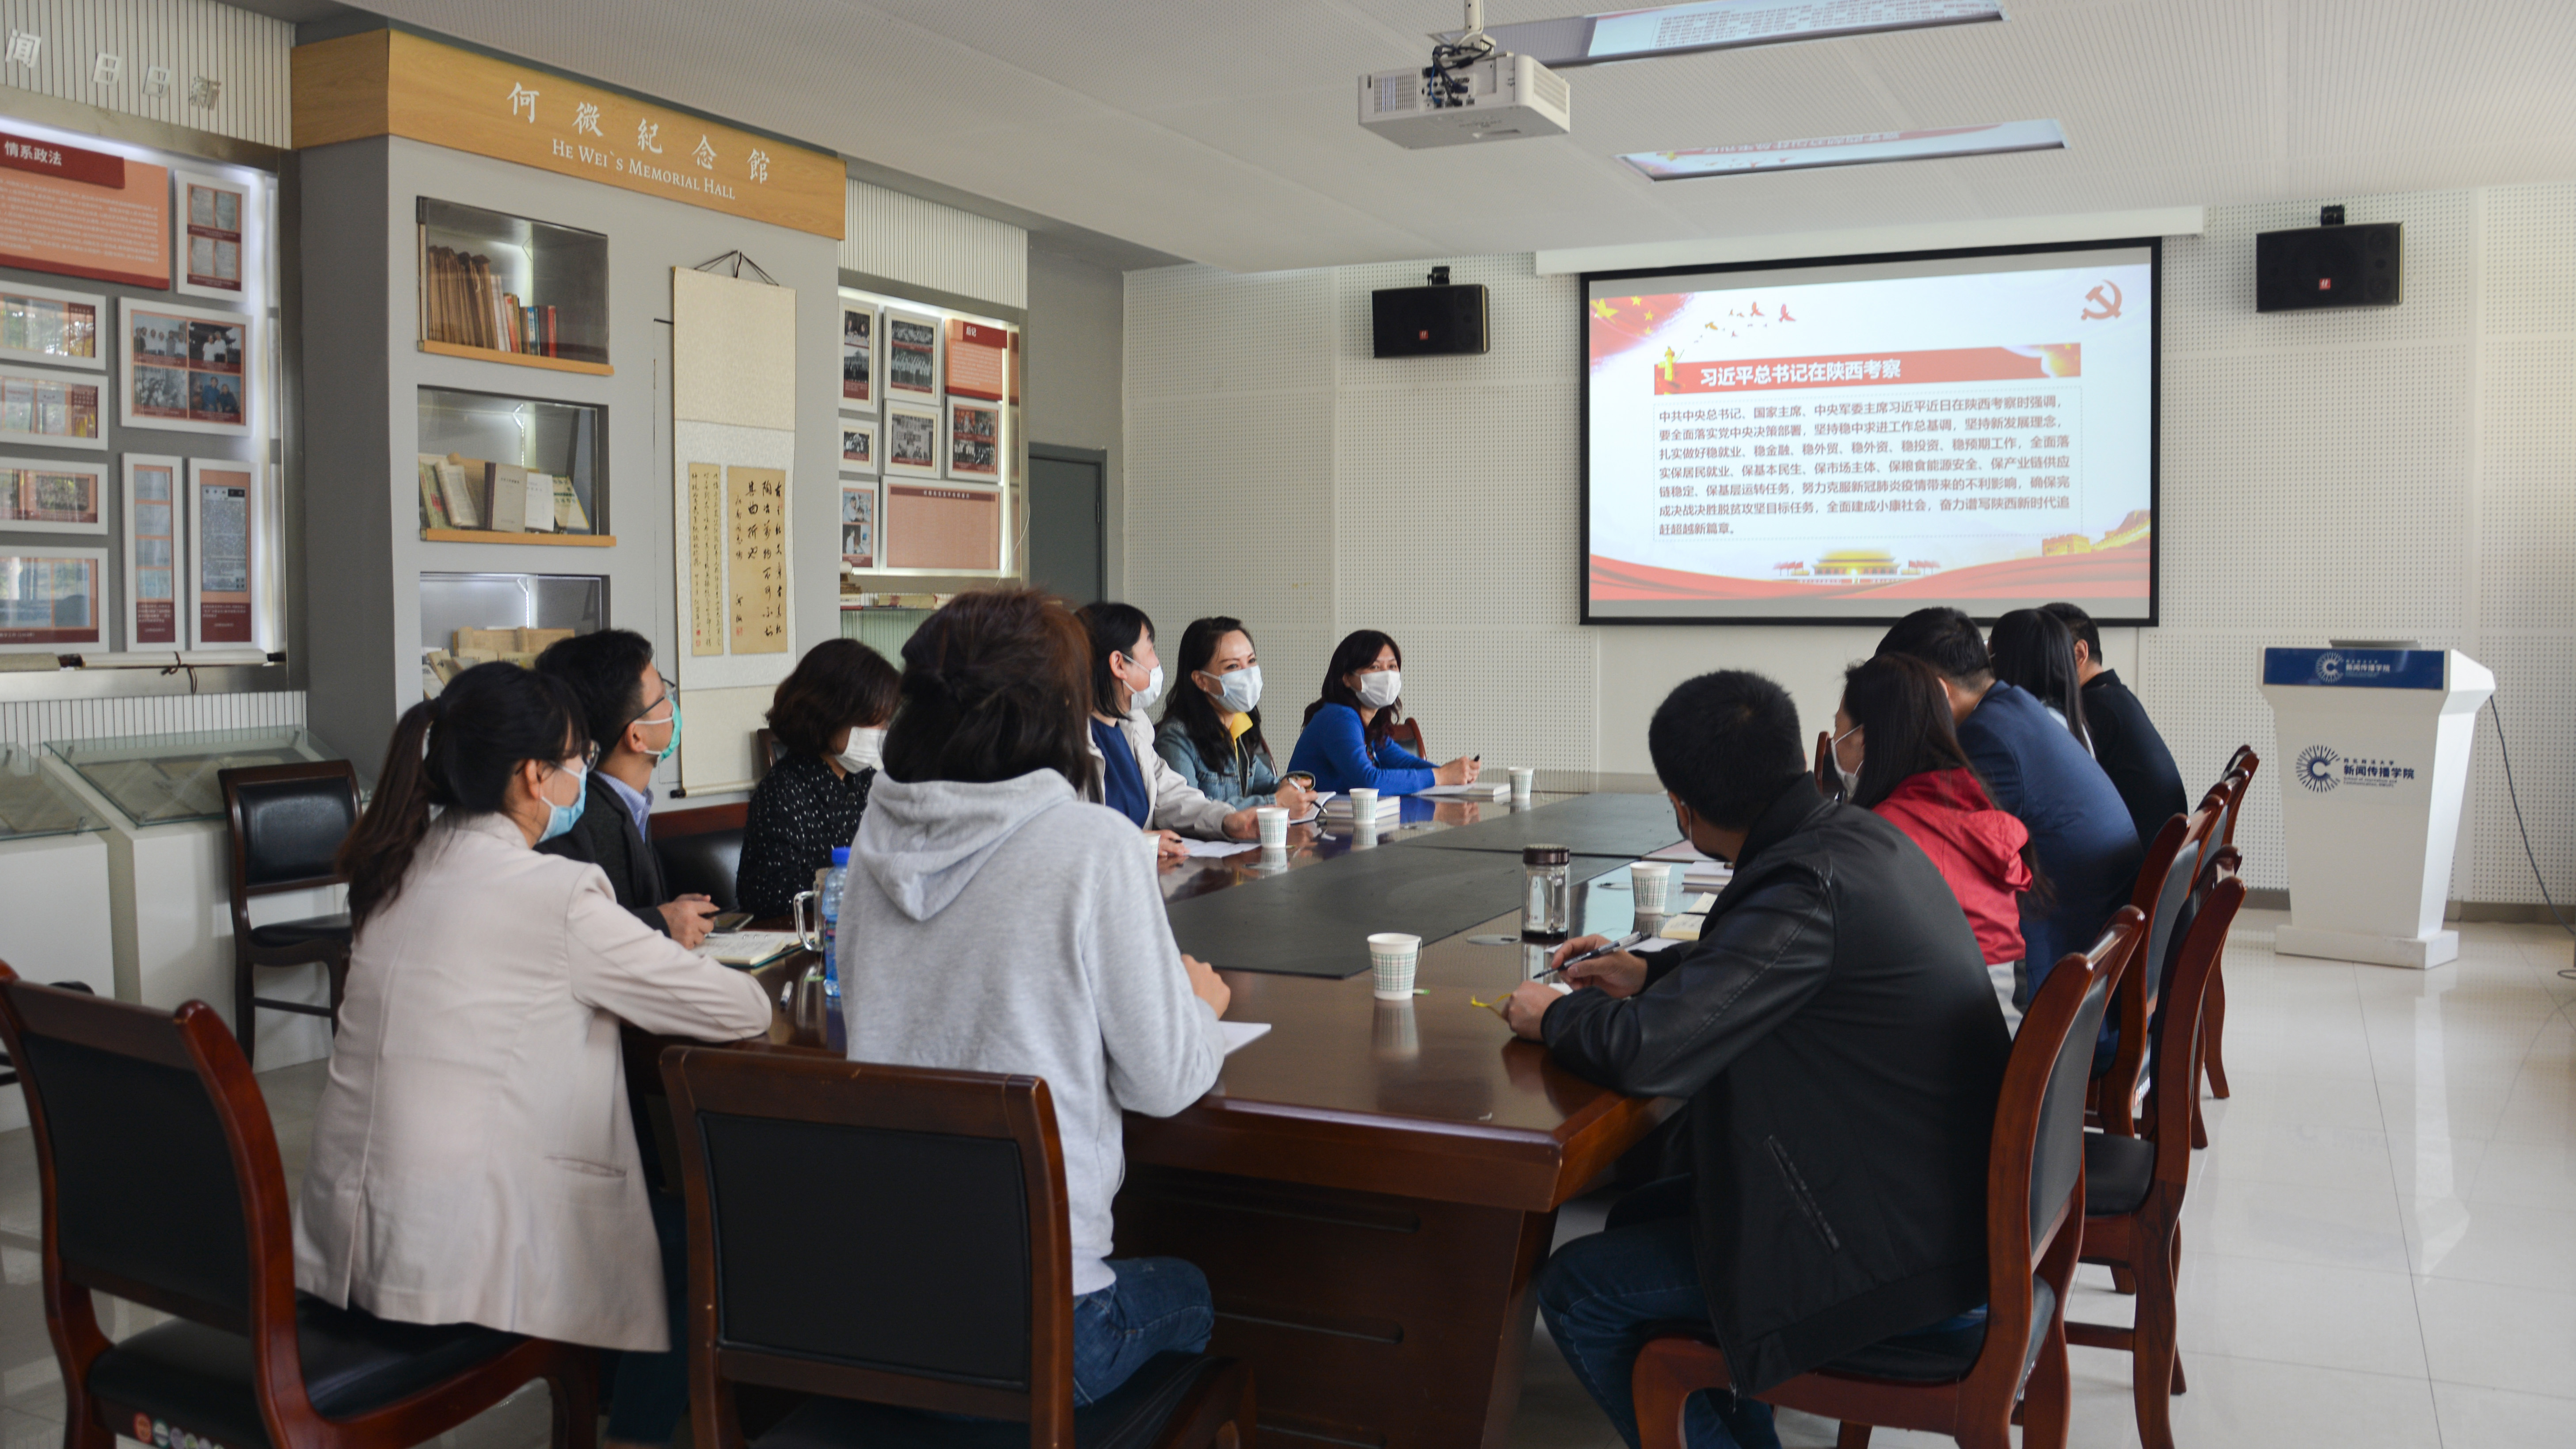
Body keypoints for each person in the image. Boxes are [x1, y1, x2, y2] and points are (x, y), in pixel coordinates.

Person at [1502, 670, 2009, 1449]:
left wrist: (1556, 1014)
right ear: (1799, 756)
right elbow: (1774, 968)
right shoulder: (1851, 836)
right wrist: (1651, 972)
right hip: (1938, 1209)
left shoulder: (1803, 882)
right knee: (1642, 1214)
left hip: (1901, 1259)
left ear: (1682, 806)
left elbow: (1648, 1050)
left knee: (1579, 1290)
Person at [296, 663, 773, 1449]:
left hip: (347, 1235)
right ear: (532, 775)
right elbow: (740, 1008)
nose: (581, 775)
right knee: (696, 1238)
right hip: (452, 1244)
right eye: (577, 760)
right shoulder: (556, 894)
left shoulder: (396, 870)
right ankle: (634, 1439)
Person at [838, 589, 1232, 1404]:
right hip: (1049, 1323)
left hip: (883, 1310)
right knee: (1194, 1290)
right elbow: (1163, 1081)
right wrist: (1199, 1008)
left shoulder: (875, 840)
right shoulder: (1093, 844)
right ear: (1059, 709)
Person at [1878, 606, 2142, 1003]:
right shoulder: (2014, 708)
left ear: (1936, 690)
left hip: (2063, 980)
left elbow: (1930, 852)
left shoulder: (1988, 739)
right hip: (2095, 958)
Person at [1832, 653, 2036, 1023]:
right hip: (2004, 1023)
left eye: (1838, 730)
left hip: (1947, 1036)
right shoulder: (1969, 801)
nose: (1835, 742)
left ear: (1863, 739)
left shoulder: (1883, 834)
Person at [533, 630, 716, 947]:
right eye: (663, 697)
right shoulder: (581, 818)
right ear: (636, 737)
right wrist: (659, 923)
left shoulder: (627, 802)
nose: (672, 708)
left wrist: (668, 914)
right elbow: (581, 938)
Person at [1076, 602, 1291, 862]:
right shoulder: (1063, 741)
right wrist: (1133, 841)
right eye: (1151, 649)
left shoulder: (1134, 727)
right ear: (1119, 664)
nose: (1157, 662)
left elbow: (1173, 796)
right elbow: (1064, 831)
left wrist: (1227, 821)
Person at [735, 639, 902, 919]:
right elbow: (768, 895)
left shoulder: (871, 783)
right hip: (810, 937)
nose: (881, 731)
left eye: (885, 721)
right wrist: (850, 885)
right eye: (872, 720)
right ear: (829, 712)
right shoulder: (783, 790)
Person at [2041, 601, 2188, 850]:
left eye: (2044, 653)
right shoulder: (2114, 698)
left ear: (2079, 654)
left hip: (2134, 861)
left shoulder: (2093, 710)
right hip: (2158, 857)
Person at [1154, 615, 1316, 814]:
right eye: (1233, 666)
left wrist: (1290, 788)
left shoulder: (1239, 724)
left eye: (1251, 661)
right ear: (1202, 680)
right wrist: (1275, 802)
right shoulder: (1176, 738)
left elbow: (1265, 784)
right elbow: (1186, 810)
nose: (1248, 674)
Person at [1284, 630, 1480, 794]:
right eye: (1375, 667)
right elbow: (1368, 781)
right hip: (1313, 824)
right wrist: (1441, 776)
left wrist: (1455, 773)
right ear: (1347, 678)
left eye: (1392, 666)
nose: (1387, 675)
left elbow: (1402, 762)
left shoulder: (1368, 723)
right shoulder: (1338, 718)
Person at [1987, 607, 2092, 752]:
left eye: (1991, 655)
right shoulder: (2065, 721)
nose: (1988, 667)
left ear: (2010, 664)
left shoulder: (2029, 727)